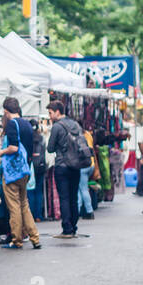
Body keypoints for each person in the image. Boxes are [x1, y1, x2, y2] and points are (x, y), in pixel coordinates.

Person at [0, 97, 41, 249]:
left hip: (13, 172)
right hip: (25, 170)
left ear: (5, 111)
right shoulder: (27, 124)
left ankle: (17, 239)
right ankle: (34, 237)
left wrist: (1, 152)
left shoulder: (11, 125)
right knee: (24, 205)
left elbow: (14, 148)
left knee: (14, 206)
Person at [46, 99, 91, 238]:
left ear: (57, 112)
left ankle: (67, 228)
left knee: (64, 197)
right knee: (73, 197)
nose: (49, 116)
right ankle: (74, 226)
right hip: (76, 165)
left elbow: (50, 148)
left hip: (62, 165)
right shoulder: (75, 125)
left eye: (50, 113)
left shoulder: (57, 127)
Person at [28, 119, 47, 222]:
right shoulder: (42, 138)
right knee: (39, 191)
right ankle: (38, 215)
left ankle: (30, 215)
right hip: (40, 166)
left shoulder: (27, 138)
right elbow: (44, 153)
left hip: (30, 167)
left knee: (30, 191)